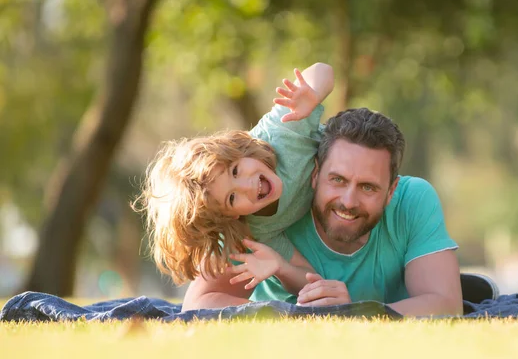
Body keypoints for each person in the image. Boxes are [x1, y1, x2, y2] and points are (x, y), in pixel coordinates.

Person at [182, 108, 465, 317]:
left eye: (367, 187)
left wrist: (352, 312)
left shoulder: (412, 199)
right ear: (315, 174)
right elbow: (198, 305)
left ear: (391, 191)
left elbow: (446, 304)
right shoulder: (258, 211)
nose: (348, 201)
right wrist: (296, 316)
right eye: (337, 180)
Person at [135, 63, 334, 297]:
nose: (247, 186)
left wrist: (312, 93)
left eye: (235, 171)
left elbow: (323, 70)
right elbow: (308, 277)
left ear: (240, 152)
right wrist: (281, 267)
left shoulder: (280, 134)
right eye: (232, 197)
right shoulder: (257, 231)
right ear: (231, 215)